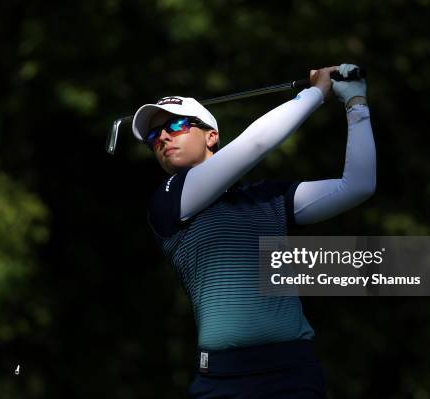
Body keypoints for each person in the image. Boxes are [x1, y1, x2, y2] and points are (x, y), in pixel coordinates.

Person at [132, 64, 376, 398]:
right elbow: (256, 143)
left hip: (292, 371)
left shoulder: (269, 198)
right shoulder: (168, 200)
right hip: (222, 379)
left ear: (212, 136)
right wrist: (317, 93)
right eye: (153, 136)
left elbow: (358, 186)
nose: (162, 137)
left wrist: (357, 105)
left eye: (175, 125)